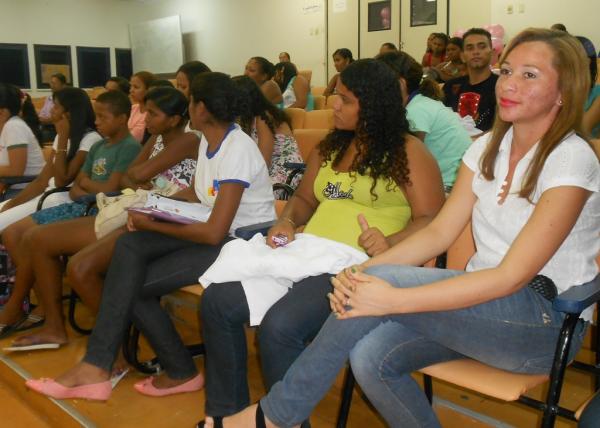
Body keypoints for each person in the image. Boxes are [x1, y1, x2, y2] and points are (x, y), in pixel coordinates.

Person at [221, 28, 600, 428]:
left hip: (543, 324)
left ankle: (276, 416)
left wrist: (389, 297)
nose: (509, 84)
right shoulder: (486, 148)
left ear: (564, 91)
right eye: (506, 71)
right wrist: (356, 275)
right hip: (476, 311)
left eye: (530, 75)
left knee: (379, 289)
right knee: (371, 357)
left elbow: (510, 276)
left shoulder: (570, 160)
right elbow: (437, 234)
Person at [196, 59, 445, 427]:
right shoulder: (331, 147)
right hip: (308, 254)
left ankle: (286, 422)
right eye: (335, 97)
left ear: (372, 104)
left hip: (356, 266)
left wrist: (390, 240)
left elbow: (432, 219)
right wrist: (287, 221)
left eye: (345, 100)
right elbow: (304, 201)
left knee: (282, 326)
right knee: (218, 301)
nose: (335, 106)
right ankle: (227, 412)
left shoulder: (408, 152)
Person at [26, 72, 276, 401]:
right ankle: (120, 366)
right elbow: (203, 195)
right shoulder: (208, 141)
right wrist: (158, 206)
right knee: (130, 255)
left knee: (132, 278)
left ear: (201, 108)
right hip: (213, 228)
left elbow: (216, 230)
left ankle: (134, 367)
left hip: (240, 241)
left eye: (190, 102)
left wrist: (151, 224)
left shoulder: (237, 147)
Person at [4, 87, 198, 348]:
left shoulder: (190, 139)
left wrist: (139, 179)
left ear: (174, 119)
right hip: (133, 206)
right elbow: (129, 176)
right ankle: (53, 326)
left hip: (160, 216)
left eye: (153, 113)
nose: (145, 118)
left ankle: (115, 342)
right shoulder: (156, 139)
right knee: (36, 238)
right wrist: (138, 179)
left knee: (78, 266)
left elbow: (137, 176)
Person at [0, 90, 140, 344]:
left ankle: (20, 307)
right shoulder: (99, 145)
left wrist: (86, 184)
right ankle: (37, 308)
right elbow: (76, 188)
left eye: (103, 117)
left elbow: (108, 189)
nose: (97, 122)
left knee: (33, 238)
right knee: (23, 235)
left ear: (122, 118)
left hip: (100, 209)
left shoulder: (127, 146)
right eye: (95, 116)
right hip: (77, 204)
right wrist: (86, 186)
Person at [0, 87, 101, 231]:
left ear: (69, 113)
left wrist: (63, 138)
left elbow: (61, 181)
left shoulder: (91, 139)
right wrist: (12, 204)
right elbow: (42, 180)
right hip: (45, 194)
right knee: (4, 209)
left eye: (56, 106)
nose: (51, 110)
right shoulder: (61, 136)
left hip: (61, 200)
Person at [377, 51, 471, 191]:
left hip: (448, 186)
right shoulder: (418, 102)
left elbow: (407, 161)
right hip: (449, 180)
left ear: (401, 84)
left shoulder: (415, 111)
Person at [234, 75, 302, 191]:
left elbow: (263, 161)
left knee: (249, 193)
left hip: (287, 169)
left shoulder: (264, 117)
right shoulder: (248, 119)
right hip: (270, 168)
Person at [443, 28, 498, 133]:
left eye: (482, 47)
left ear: (492, 53)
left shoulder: (501, 86)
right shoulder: (451, 86)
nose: (476, 52)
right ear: (463, 56)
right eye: (470, 48)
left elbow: (503, 129)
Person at [0, 84, 45, 200]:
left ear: (3, 111)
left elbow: (16, 170)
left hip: (24, 190)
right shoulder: (7, 125)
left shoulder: (14, 127)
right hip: (12, 187)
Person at [578, 36, 600, 138]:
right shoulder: (559, 90)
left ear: (587, 61)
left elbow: (582, 131)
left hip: (582, 148)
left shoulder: (597, 96)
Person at [38, 73, 68, 142]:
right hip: (44, 127)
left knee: (36, 137)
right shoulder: (49, 98)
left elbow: (61, 118)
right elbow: (42, 114)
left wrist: (47, 120)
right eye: (51, 83)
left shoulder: (66, 99)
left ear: (63, 85)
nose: (51, 86)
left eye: (54, 83)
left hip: (55, 129)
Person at [128, 71, 156, 142]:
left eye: (136, 87)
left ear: (148, 90)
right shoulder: (132, 108)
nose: (131, 90)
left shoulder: (151, 113)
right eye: (131, 86)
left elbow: (134, 138)